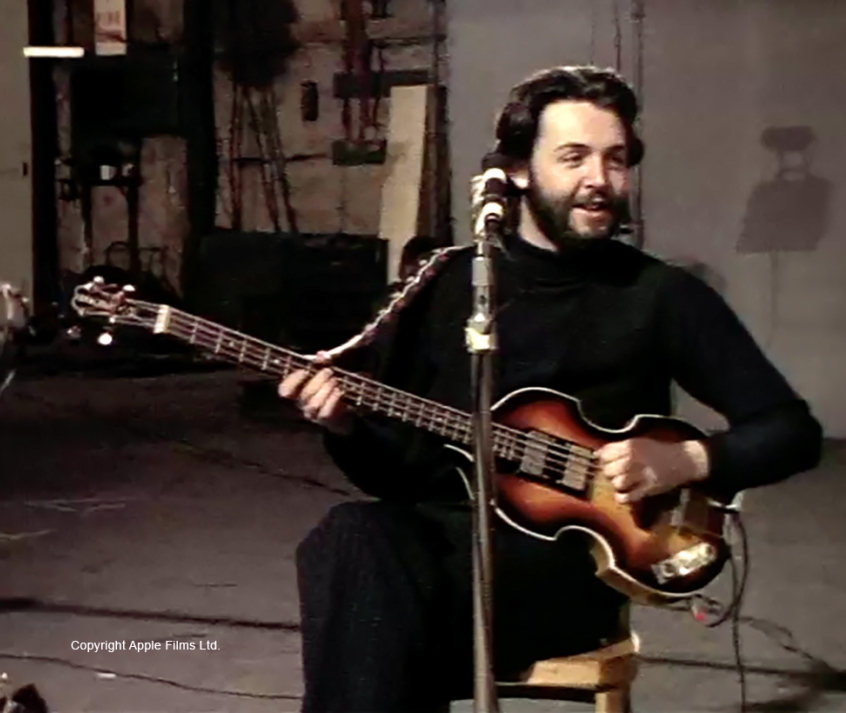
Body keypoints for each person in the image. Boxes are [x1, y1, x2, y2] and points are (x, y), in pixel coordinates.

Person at [278, 66, 823, 713]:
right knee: (352, 539)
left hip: (565, 572)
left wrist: (686, 459)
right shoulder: (445, 285)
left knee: (374, 621)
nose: (600, 179)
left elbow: (792, 431)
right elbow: (394, 477)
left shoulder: (661, 296)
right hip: (438, 554)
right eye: (574, 157)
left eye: (615, 159)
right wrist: (345, 426)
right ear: (516, 171)